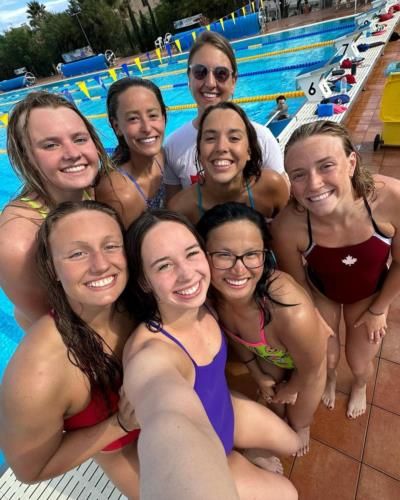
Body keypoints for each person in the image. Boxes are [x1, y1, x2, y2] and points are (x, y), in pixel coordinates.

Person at [122, 209, 300, 500]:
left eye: (192, 253)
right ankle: (237, 461)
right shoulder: (152, 352)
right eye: (164, 265)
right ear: (144, 281)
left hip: (226, 410)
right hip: (210, 448)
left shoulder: (206, 302)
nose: (187, 273)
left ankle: (248, 453)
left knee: (293, 443)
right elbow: (164, 411)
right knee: (288, 495)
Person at [0, 201, 140, 498]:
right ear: (51, 268)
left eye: (111, 246)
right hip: (122, 448)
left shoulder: (140, 303)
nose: (101, 264)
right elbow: (30, 469)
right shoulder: (40, 372)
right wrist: (120, 424)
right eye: (78, 253)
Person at [270, 121, 400, 419]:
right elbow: (298, 281)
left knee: (358, 361)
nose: (314, 184)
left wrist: (379, 309)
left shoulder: (390, 199)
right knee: (326, 357)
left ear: (351, 162)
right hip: (321, 292)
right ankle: (330, 379)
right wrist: (314, 317)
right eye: (299, 175)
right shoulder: (289, 225)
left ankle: (359, 385)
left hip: (370, 294)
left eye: (326, 166)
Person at [197, 202, 328, 456]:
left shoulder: (290, 311)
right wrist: (256, 373)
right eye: (224, 255)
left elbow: (311, 367)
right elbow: (235, 338)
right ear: (203, 254)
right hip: (270, 354)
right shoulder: (213, 297)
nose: (239, 268)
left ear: (264, 254)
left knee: (298, 419)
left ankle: (302, 426)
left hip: (308, 365)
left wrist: (291, 389)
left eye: (251, 254)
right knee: (274, 408)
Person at [0, 91, 110, 330]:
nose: (72, 154)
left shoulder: (106, 192)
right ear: (26, 157)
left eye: (80, 139)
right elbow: (56, 329)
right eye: (50, 145)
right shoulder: (19, 243)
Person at [163, 31, 284, 201]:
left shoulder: (262, 138)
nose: (210, 83)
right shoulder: (173, 146)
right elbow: (175, 219)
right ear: (189, 78)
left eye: (221, 73)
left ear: (233, 81)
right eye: (200, 72)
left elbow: (282, 207)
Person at [167, 102, 289, 224]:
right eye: (210, 138)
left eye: (234, 138)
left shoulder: (271, 188)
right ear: (199, 152)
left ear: (249, 151)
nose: (221, 147)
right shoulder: (181, 210)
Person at [96, 77, 167, 228]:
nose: (147, 128)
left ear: (164, 117)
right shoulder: (118, 193)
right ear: (117, 127)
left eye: (153, 115)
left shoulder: (162, 156)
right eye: (133, 118)